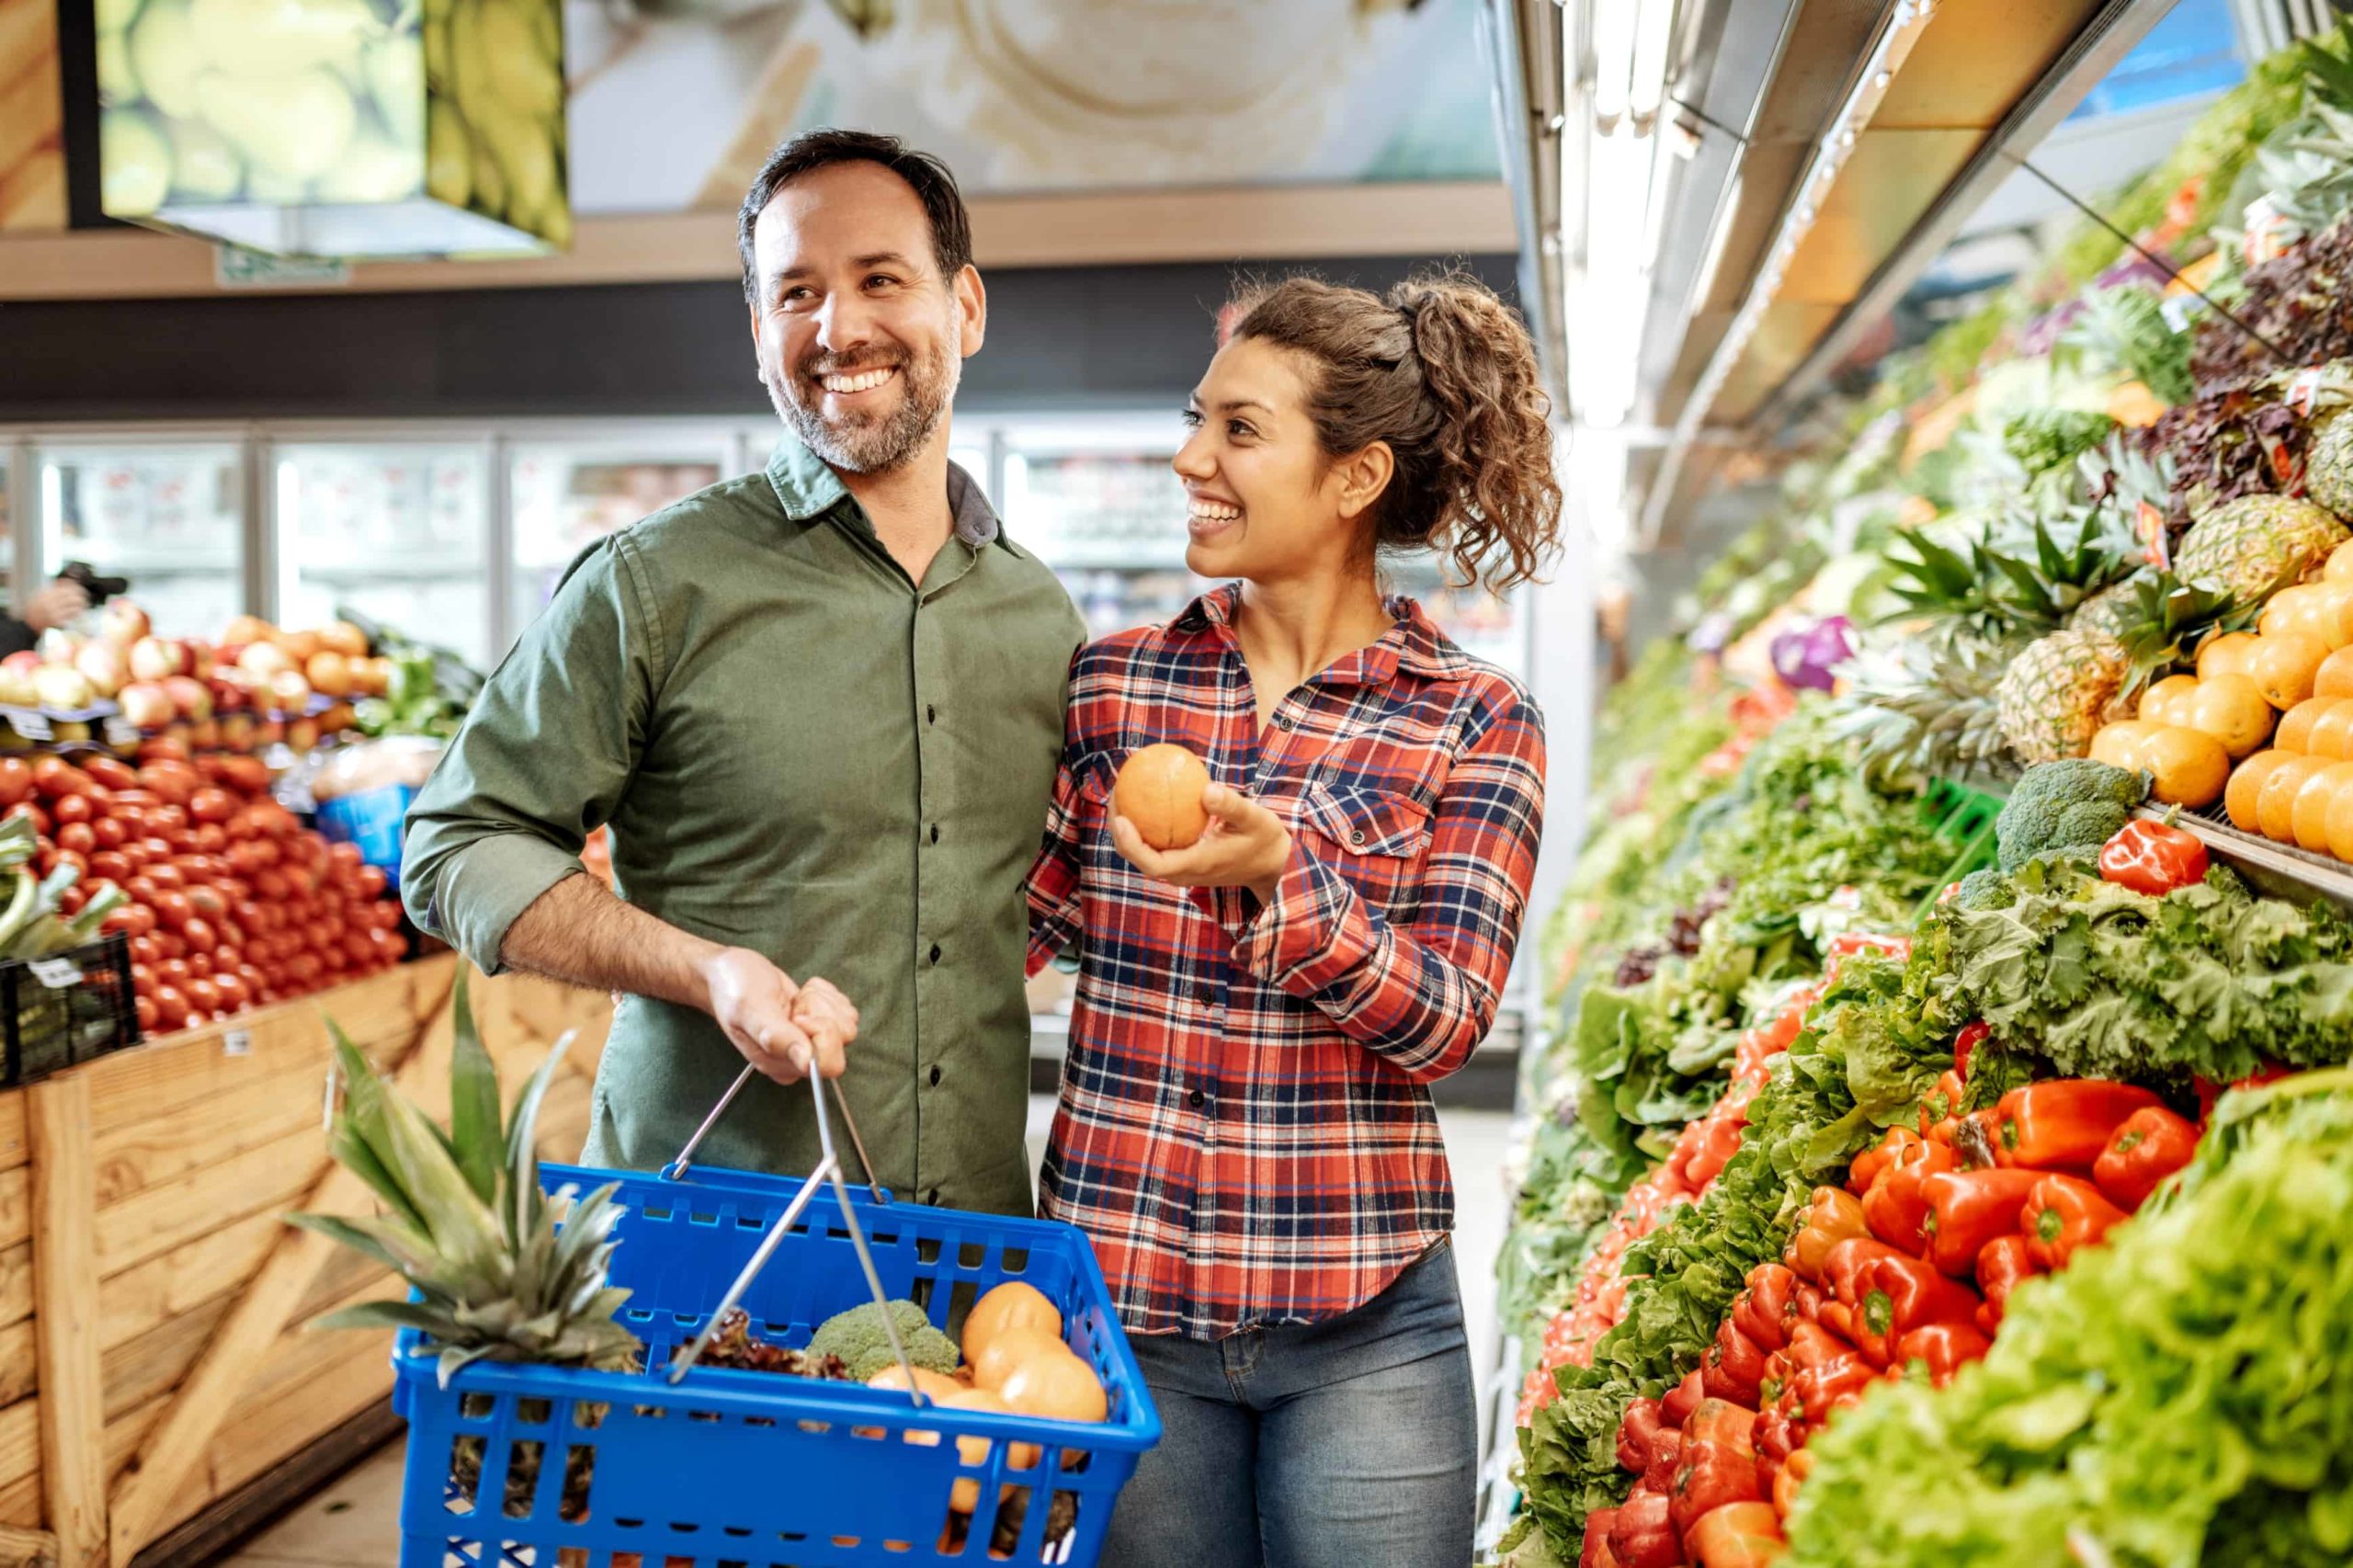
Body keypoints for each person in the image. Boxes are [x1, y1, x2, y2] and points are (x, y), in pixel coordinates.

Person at [403, 130, 1086, 1211]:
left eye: (879, 279)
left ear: (966, 309)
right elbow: (455, 843)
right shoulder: (655, 582)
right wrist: (703, 968)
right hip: (707, 1235)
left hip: (974, 1243)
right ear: (760, 333)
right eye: (796, 292)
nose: (838, 327)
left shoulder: (1037, 617)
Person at [1026, 271, 1560, 1567]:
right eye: (1195, 418)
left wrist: (1283, 880)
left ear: (1355, 475)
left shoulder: (1474, 719)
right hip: (1122, 1309)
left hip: (1363, 1323)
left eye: (1239, 431)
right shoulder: (1112, 684)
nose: (1189, 456)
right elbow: (1015, 928)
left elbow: (1442, 1020)